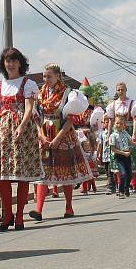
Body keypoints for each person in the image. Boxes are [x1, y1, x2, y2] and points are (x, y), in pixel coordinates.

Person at [0, 47, 41, 231]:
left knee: (22, 173)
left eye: (14, 60)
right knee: (3, 174)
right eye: (7, 60)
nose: (10, 64)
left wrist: (22, 126)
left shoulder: (28, 83)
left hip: (21, 130)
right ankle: (7, 214)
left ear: (20, 63)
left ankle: (19, 216)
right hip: (2, 130)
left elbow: (28, 108)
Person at [29, 64, 91, 221]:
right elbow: (36, 117)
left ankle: (69, 206)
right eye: (44, 76)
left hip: (63, 134)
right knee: (44, 171)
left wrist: (58, 137)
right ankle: (38, 210)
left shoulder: (69, 93)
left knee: (65, 170)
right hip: (45, 133)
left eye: (48, 76)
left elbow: (71, 119)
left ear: (57, 76)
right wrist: (41, 134)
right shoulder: (40, 93)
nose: (45, 79)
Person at [109, 117, 136, 198]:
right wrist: (123, 153)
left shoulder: (125, 133)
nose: (119, 125)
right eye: (117, 123)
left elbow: (131, 142)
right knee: (123, 174)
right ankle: (121, 191)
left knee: (129, 175)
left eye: (121, 124)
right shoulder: (113, 135)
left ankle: (126, 189)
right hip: (119, 156)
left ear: (123, 125)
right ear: (114, 124)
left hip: (127, 155)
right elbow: (113, 149)